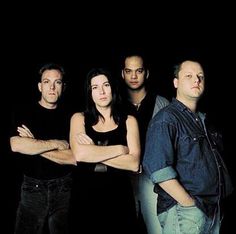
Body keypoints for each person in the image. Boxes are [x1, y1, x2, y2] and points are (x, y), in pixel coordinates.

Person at [143, 59, 234, 234]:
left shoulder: (204, 121)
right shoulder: (166, 119)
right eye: (189, 76)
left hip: (213, 210)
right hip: (186, 213)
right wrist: (189, 204)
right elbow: (158, 169)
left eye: (200, 76)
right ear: (176, 82)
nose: (196, 80)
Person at [69, 67, 140, 234]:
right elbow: (79, 154)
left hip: (119, 200)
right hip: (84, 199)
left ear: (113, 88)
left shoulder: (129, 121)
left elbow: (134, 163)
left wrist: (93, 151)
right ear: (89, 93)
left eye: (105, 85)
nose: (101, 91)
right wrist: (121, 149)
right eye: (95, 87)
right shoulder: (78, 119)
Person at [10, 63, 76, 234]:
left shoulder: (73, 117)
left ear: (63, 86)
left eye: (58, 82)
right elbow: (16, 145)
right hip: (33, 189)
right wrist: (56, 143)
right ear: (40, 86)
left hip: (64, 189)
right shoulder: (24, 112)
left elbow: (74, 158)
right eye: (47, 82)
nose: (52, 87)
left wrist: (34, 144)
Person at [121, 52, 169, 234]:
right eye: (128, 71)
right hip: (123, 177)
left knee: (158, 229)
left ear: (146, 73)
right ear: (122, 74)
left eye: (138, 71)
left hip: (153, 178)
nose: (133, 76)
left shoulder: (162, 103)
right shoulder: (115, 103)